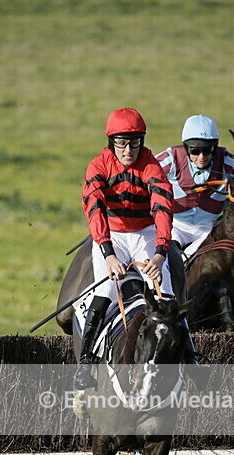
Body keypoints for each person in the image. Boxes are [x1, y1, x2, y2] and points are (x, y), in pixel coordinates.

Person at [75, 107, 176, 391]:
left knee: (164, 291)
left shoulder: (151, 165)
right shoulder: (98, 166)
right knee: (105, 290)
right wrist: (108, 254)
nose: (128, 150)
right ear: (111, 143)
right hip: (113, 234)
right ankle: (85, 363)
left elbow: (163, 207)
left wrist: (159, 253)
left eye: (134, 142)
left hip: (144, 231)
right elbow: (94, 209)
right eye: (121, 143)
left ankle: (190, 357)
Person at [156, 115, 234, 257]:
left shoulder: (226, 160)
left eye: (207, 151)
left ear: (214, 148)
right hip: (176, 226)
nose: (202, 157)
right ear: (186, 148)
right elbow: (144, 172)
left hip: (208, 229)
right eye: (195, 151)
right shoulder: (172, 158)